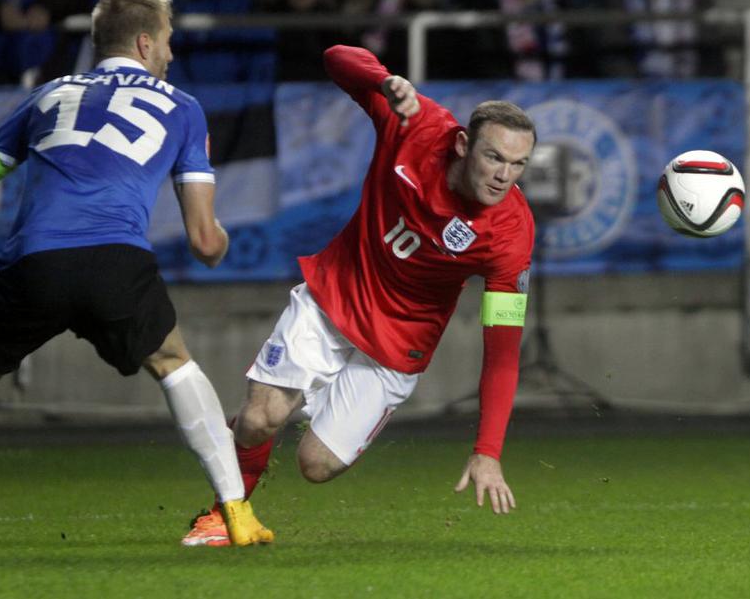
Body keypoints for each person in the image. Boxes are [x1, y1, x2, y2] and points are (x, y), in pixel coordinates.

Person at [0, 0, 273, 555]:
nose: (171, 54)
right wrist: (224, 240)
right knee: (175, 364)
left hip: (34, 264)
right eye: (167, 41)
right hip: (116, 262)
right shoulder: (182, 108)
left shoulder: (46, 97)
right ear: (143, 42)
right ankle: (236, 512)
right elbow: (206, 243)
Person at [183, 43, 535, 547]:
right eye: (495, 157)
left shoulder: (512, 234)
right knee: (262, 419)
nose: (504, 175)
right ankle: (225, 512)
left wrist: (488, 451)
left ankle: (276, 411)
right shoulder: (417, 125)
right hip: (334, 298)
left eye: (518, 165)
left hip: (397, 348)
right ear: (462, 144)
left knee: (316, 465)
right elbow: (333, 58)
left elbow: (502, 352)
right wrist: (384, 79)